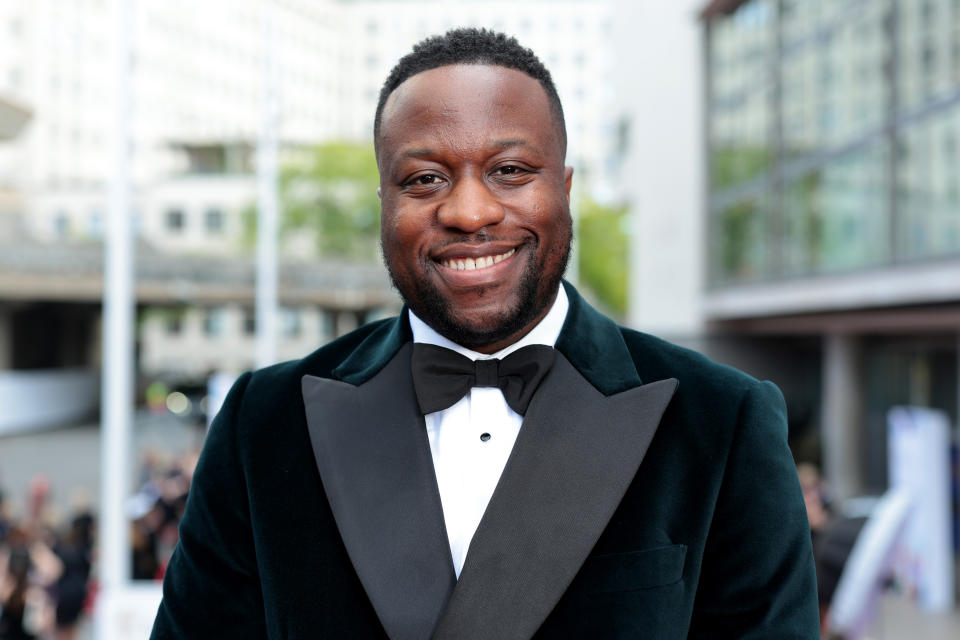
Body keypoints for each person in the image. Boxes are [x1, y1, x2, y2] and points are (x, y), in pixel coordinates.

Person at [151, 28, 818, 639]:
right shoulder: (264, 422)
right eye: (424, 179)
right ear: (385, 204)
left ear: (565, 189)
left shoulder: (721, 422)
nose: (470, 212)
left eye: (510, 171)